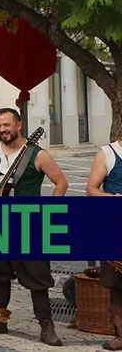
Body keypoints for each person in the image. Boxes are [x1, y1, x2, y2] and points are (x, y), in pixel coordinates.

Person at [0, 107, 68, 346]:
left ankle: (46, 326)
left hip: (29, 223)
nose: (3, 129)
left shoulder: (38, 154)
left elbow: (61, 182)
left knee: (36, 275)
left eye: (7, 125)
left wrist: (51, 213)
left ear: (19, 125)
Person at [86, 135, 122, 350]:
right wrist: (113, 198)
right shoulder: (108, 153)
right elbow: (91, 189)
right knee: (117, 285)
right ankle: (120, 334)